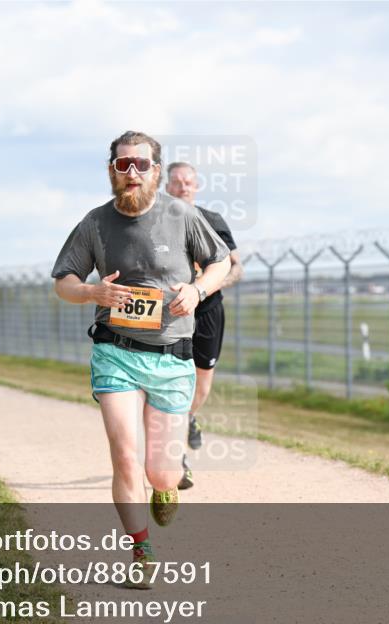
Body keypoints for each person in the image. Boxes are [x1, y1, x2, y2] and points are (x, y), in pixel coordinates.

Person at [51, 131, 230, 588]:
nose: (132, 172)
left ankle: (166, 488)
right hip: (116, 352)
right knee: (125, 457)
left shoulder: (182, 216)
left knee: (161, 472)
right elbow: (64, 281)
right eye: (123, 164)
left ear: (156, 170)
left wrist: (197, 290)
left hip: (172, 356)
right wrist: (91, 291)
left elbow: (221, 263)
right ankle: (141, 551)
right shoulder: (95, 223)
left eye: (141, 164)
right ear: (112, 170)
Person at [165, 162, 244, 490]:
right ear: (166, 187)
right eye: (177, 182)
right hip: (171, 311)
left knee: (202, 386)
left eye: (188, 182)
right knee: (172, 382)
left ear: (196, 186)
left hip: (208, 309)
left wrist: (205, 288)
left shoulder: (213, 221)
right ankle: (177, 455)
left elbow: (236, 267)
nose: (183, 186)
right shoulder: (157, 222)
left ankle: (189, 416)